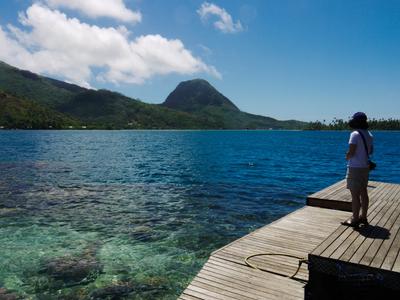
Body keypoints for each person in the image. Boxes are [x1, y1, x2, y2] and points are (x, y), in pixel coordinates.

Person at [342, 112, 373, 227]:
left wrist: (347, 156)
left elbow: (351, 152)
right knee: (364, 192)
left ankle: (355, 219)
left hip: (355, 168)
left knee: (355, 195)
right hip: (365, 167)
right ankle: (363, 217)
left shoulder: (354, 134)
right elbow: (370, 151)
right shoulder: (369, 134)